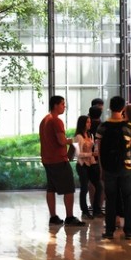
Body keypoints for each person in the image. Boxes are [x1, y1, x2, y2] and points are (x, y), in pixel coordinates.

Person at [39, 95, 86, 227]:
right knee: (69, 189)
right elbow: (61, 141)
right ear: (55, 105)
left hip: (47, 159)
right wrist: (72, 141)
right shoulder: (56, 121)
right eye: (62, 104)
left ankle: (53, 216)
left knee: (51, 188)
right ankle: (70, 217)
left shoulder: (44, 120)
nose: (64, 107)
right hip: (58, 159)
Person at [95, 96, 131, 240]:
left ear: (110, 107)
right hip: (126, 167)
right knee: (128, 199)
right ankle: (129, 231)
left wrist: (102, 168)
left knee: (111, 199)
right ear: (123, 109)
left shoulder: (103, 127)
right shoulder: (129, 127)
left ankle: (109, 231)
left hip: (109, 168)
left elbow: (99, 149)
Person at [74, 115, 103, 220]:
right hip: (82, 165)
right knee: (84, 188)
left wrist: (94, 154)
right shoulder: (77, 137)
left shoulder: (90, 135)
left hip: (91, 163)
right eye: (87, 122)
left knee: (99, 186)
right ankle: (85, 211)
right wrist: (90, 155)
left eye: (90, 122)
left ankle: (96, 209)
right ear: (82, 124)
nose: (89, 124)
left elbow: (92, 149)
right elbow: (77, 154)